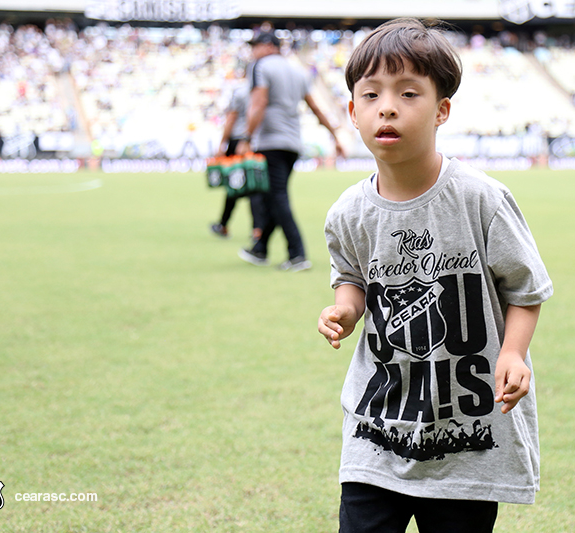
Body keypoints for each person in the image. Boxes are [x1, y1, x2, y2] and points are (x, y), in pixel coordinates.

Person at [317, 19, 553, 533]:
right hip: (377, 427)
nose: (388, 107)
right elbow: (351, 276)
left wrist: (511, 352)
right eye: (371, 94)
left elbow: (525, 289)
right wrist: (345, 309)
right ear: (353, 111)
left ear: (442, 109)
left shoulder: (480, 200)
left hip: (466, 436)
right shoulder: (348, 213)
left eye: (408, 93)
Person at [236, 30, 344, 272]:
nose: (253, 51)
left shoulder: (260, 66)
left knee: (277, 197)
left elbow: (259, 102)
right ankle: (260, 248)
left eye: (255, 45)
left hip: (269, 142)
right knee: (273, 195)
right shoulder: (297, 70)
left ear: (267, 46)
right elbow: (314, 105)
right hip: (293, 143)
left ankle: (297, 254)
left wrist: (246, 136)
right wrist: (334, 134)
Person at [210, 74, 266, 241]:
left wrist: (222, 144)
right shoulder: (264, 91)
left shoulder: (240, 91)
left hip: (238, 142)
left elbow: (231, 118)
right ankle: (257, 228)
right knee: (255, 186)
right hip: (258, 142)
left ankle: (223, 224)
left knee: (234, 185)